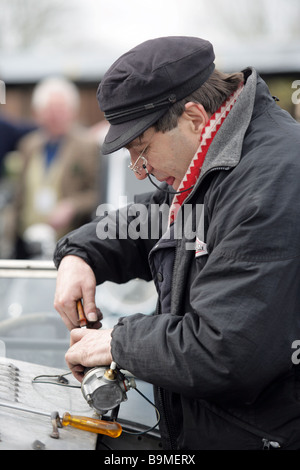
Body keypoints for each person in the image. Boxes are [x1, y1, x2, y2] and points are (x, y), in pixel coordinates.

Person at [53, 36, 300, 450]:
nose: (138, 170)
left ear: (194, 117)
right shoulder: (218, 158)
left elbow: (224, 350)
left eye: (142, 149)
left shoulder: (269, 185)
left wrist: (116, 341)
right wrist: (80, 253)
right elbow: (157, 215)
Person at [13, 77, 100, 257]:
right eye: (49, 109)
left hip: (68, 241)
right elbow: (20, 193)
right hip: (27, 239)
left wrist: (72, 206)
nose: (55, 115)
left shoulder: (87, 145)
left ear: (72, 111)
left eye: (60, 109)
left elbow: (98, 193)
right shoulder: (29, 145)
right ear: (37, 113)